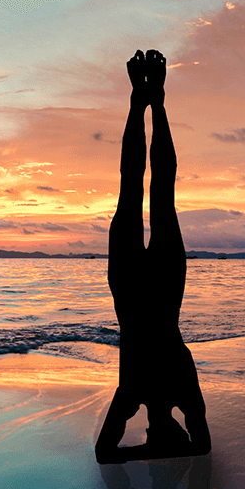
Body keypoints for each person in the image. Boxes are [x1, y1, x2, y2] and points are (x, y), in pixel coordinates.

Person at [95, 50, 210, 464]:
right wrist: (152, 450)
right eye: (153, 431)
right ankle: (146, 101)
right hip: (137, 287)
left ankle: (150, 101)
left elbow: (201, 446)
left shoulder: (181, 390)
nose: (146, 429)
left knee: (155, 192)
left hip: (156, 286)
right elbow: (106, 453)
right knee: (143, 191)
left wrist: (160, 448)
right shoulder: (132, 394)